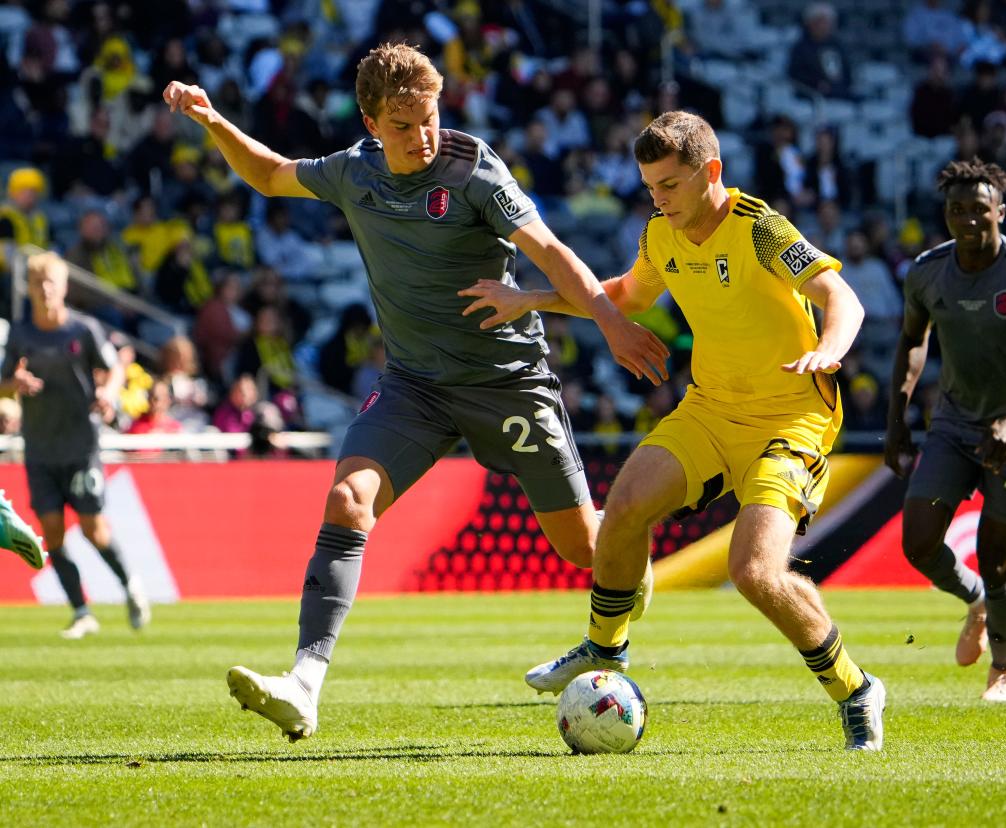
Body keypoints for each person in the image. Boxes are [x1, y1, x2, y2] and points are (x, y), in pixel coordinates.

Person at [163, 42, 668, 741]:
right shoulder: (353, 172)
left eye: (428, 117)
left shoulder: (473, 171)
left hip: (509, 385)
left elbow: (550, 250)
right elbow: (272, 174)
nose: (422, 135)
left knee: (588, 548)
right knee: (347, 500)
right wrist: (213, 119)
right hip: (416, 386)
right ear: (371, 122)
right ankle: (304, 685)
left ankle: (625, 565)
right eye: (402, 125)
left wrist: (609, 322)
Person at [462, 111, 886, 751]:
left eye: (669, 185)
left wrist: (829, 349)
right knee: (627, 505)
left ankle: (855, 690)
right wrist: (531, 300)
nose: (657, 200)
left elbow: (842, 297)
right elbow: (627, 296)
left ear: (710, 172)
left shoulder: (762, 230)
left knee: (754, 573)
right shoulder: (661, 234)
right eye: (650, 187)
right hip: (712, 410)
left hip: (791, 420)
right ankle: (604, 649)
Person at [884, 159, 1006, 703]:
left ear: (1000, 212)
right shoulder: (926, 271)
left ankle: (1005, 667)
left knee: (996, 557)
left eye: (978, 209)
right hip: (953, 422)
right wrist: (897, 421)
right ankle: (974, 600)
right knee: (918, 543)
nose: (967, 219)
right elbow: (912, 341)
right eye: (956, 210)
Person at [0, 252, 151, 638]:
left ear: (64, 287)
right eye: (38, 283)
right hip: (39, 448)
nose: (45, 289)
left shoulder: (82, 331)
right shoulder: (21, 334)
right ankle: (82, 610)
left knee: (92, 529)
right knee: (51, 533)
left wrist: (108, 393)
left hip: (81, 445)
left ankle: (130, 584)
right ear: (29, 289)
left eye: (51, 282)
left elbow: (114, 367)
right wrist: (13, 385)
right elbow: (3, 380)